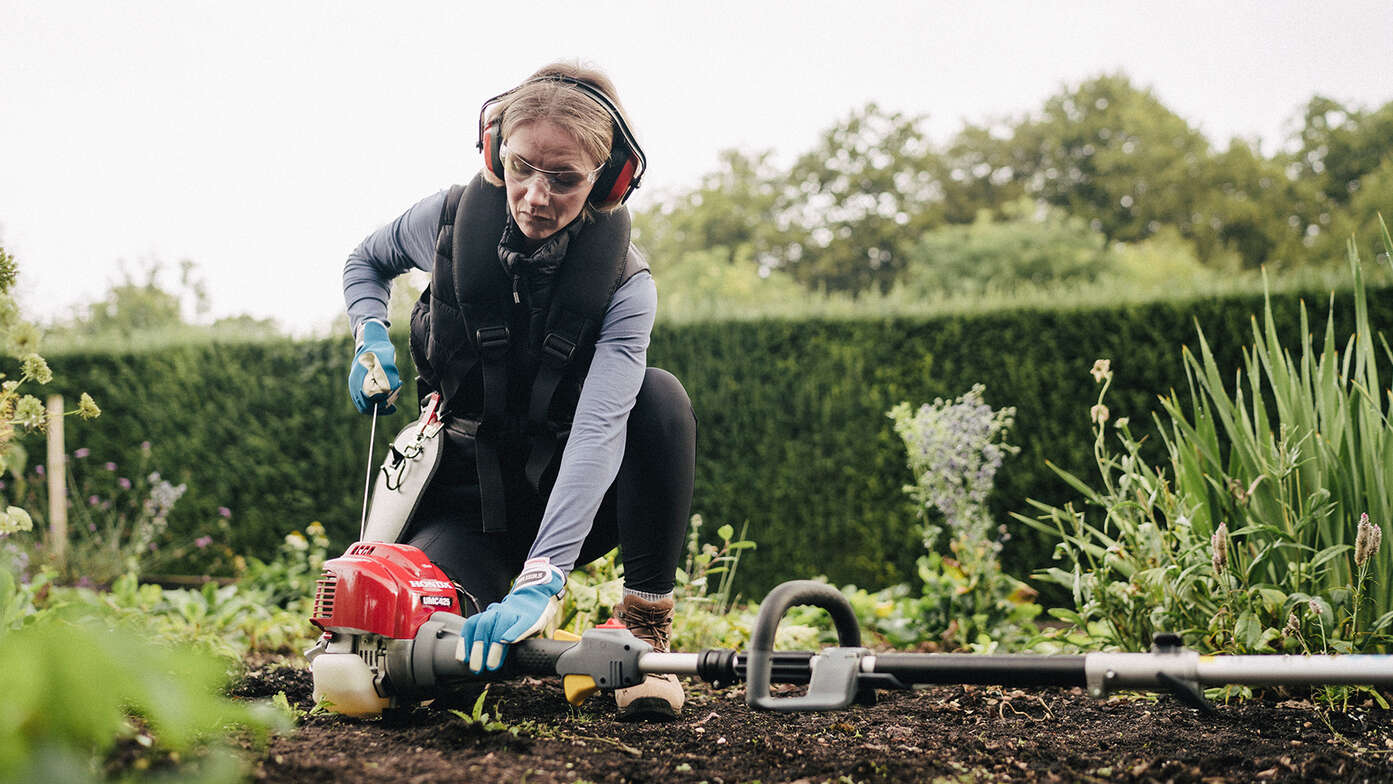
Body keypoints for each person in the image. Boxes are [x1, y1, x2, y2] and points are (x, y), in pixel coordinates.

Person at [341, 62, 695, 721]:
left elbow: (597, 431)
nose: (535, 195)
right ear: (494, 152)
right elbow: (367, 259)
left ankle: (644, 629)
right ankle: (485, 602)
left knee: (658, 401)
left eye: (564, 180)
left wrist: (544, 576)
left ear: (607, 182)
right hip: (466, 505)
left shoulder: (624, 284)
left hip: (572, 497)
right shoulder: (447, 223)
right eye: (522, 166)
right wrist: (368, 330)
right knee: (424, 670)